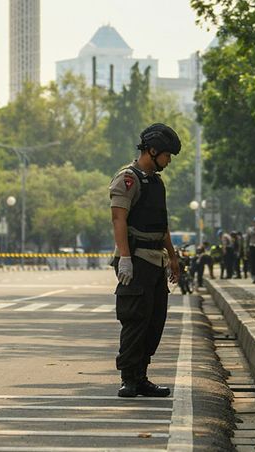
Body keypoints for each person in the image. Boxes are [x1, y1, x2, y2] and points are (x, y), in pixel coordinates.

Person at [109, 123, 181, 398]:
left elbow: (162, 225)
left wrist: (172, 258)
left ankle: (141, 375)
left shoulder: (157, 183)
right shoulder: (128, 178)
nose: (169, 161)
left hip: (156, 260)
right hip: (136, 259)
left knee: (154, 321)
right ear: (152, 151)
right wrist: (124, 258)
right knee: (135, 320)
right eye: (167, 155)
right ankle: (129, 378)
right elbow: (118, 218)